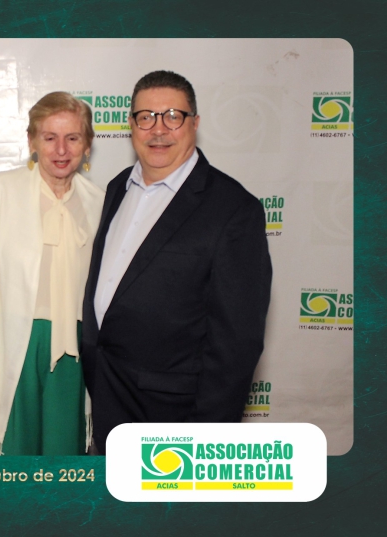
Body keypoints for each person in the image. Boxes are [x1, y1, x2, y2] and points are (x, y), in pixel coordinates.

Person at [82, 71, 273, 454]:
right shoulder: (117, 187)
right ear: (131, 125)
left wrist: (202, 443)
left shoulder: (234, 210)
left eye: (173, 116)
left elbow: (237, 346)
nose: (158, 129)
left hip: (174, 421)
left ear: (195, 123)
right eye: (146, 117)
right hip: (106, 402)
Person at [0, 92, 105, 455]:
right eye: (49, 137)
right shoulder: (0, 192)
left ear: (87, 145)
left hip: (75, 353)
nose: (61, 149)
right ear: (31, 141)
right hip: (11, 347)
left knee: (64, 463)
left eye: (73, 138)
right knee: (11, 461)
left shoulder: (99, 201)